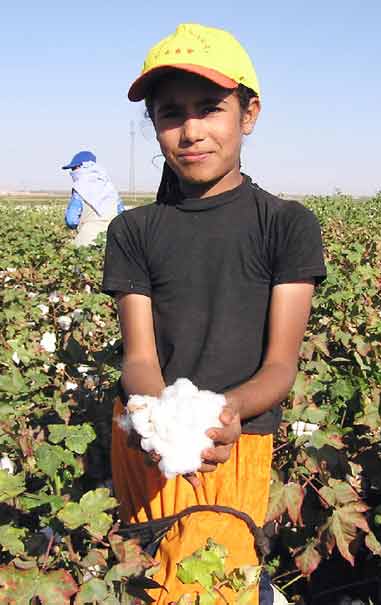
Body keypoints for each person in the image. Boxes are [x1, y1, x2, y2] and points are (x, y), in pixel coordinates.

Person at [102, 23, 326, 605]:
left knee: (219, 585)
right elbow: (140, 358)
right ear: (154, 123)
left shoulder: (287, 226)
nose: (191, 130)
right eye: (171, 113)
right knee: (153, 584)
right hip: (148, 442)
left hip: (237, 441)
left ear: (248, 114)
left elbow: (279, 367)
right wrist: (160, 422)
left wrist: (222, 415)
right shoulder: (132, 232)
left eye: (210, 108)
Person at [62, 150, 125, 247]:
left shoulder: (79, 189)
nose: (72, 172)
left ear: (80, 167)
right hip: (111, 239)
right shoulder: (110, 188)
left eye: (74, 168)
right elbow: (122, 215)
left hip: (87, 239)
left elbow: (71, 220)